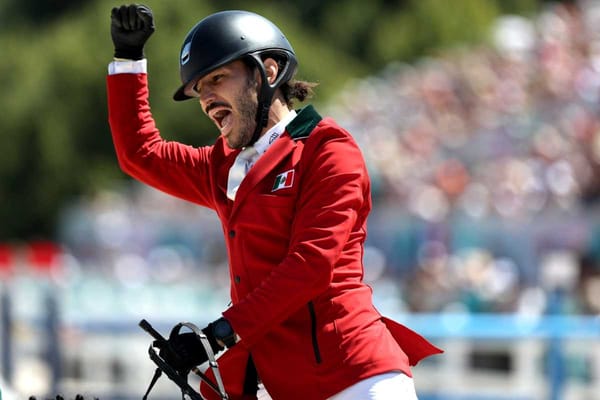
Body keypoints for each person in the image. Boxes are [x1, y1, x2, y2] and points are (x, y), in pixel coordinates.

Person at [107, 4, 442, 400]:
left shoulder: (328, 150)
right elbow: (140, 154)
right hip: (281, 384)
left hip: (356, 378)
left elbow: (311, 264)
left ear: (267, 72)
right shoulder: (221, 167)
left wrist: (219, 335)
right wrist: (129, 59)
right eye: (199, 90)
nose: (206, 98)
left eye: (216, 78)